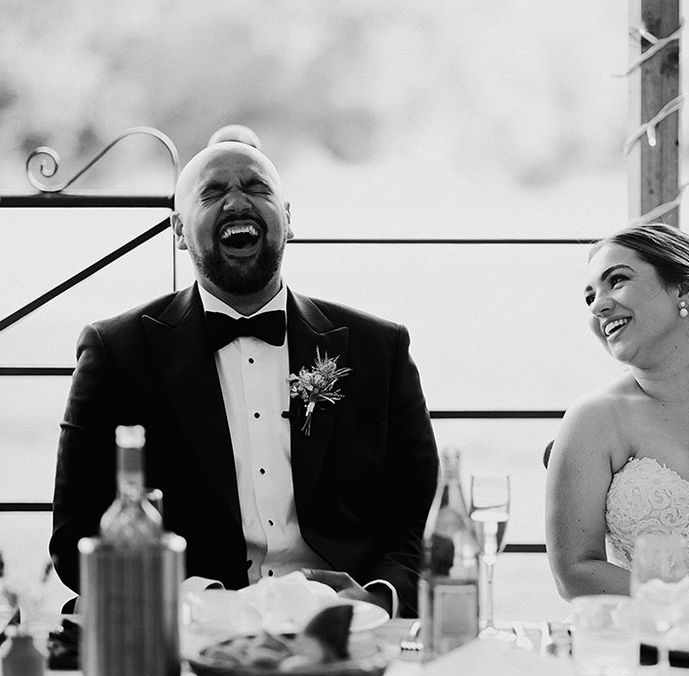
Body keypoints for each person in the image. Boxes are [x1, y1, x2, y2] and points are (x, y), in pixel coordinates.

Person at [50, 142, 439, 617]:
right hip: (190, 624)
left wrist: (376, 599)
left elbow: (418, 519)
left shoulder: (380, 348)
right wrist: (201, 603)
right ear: (177, 229)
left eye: (256, 187)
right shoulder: (116, 353)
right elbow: (77, 537)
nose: (237, 202)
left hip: (348, 630)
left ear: (289, 219)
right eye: (212, 193)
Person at [545, 223, 689, 609]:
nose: (598, 305)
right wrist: (685, 608)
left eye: (617, 281)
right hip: (653, 643)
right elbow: (575, 570)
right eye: (589, 298)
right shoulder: (591, 421)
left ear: (682, 288)